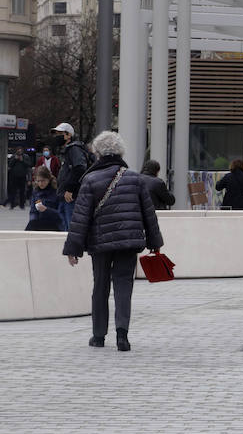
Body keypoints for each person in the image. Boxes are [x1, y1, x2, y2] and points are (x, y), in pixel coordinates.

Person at [62, 130, 164, 352]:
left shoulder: (89, 179)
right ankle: (122, 335)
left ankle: (98, 336)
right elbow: (149, 213)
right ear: (120, 152)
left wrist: (73, 249)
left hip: (100, 244)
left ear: (97, 153)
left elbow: (80, 219)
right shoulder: (135, 178)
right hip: (128, 242)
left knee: (100, 286)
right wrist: (155, 241)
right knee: (123, 286)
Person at [52, 122, 92, 231]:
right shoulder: (68, 150)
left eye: (60, 133)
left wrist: (70, 189)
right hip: (66, 196)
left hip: (70, 197)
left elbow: (79, 168)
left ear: (68, 135)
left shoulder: (74, 149)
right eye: (56, 134)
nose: (56, 136)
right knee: (65, 227)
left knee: (71, 228)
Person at [25, 165, 63, 231]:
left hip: (53, 225)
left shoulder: (57, 192)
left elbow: (60, 215)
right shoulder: (35, 192)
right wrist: (33, 221)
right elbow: (33, 211)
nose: (40, 183)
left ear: (48, 179)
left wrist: (46, 210)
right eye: (38, 181)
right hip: (38, 223)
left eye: (43, 181)